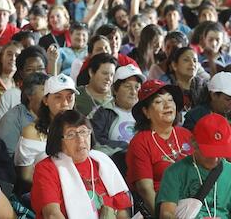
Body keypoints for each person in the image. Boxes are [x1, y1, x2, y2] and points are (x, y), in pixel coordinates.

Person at [31, 110, 131, 218]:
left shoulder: (102, 161)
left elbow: (122, 209)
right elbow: (52, 215)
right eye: (71, 134)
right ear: (58, 140)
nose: (80, 140)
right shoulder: (47, 168)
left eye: (83, 132)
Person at [126, 79, 193, 215]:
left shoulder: (186, 134)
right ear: (146, 112)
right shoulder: (140, 142)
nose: (167, 105)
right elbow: (145, 190)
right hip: (162, 207)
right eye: (158, 102)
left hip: (196, 201)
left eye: (170, 100)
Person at [156, 113, 231, 219]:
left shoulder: (229, 171)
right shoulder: (174, 172)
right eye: (209, 153)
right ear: (193, 142)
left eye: (220, 152)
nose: (215, 159)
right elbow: (166, 213)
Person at [15, 73, 78, 190]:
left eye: (69, 97)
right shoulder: (32, 132)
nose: (65, 103)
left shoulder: (80, 129)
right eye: (58, 97)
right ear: (46, 100)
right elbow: (25, 177)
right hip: (42, 191)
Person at [91, 64, 145, 173]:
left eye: (137, 87)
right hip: (114, 166)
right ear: (115, 90)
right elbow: (95, 142)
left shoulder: (146, 114)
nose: (133, 92)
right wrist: (127, 147)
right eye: (127, 86)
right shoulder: (104, 113)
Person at [0, 72, 49, 157]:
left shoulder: (49, 116)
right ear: (29, 95)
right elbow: (7, 158)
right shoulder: (14, 118)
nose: (49, 96)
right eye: (45, 91)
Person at [0, 45, 48, 126]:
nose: (36, 73)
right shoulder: (10, 96)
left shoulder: (51, 96)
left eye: (40, 69)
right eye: (29, 70)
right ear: (21, 73)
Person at [159, 47, 207, 112]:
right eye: (186, 60)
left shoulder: (202, 86)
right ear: (174, 65)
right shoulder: (165, 86)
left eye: (195, 60)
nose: (192, 64)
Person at [75, 53, 117, 118]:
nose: (109, 78)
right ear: (91, 72)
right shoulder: (75, 95)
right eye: (105, 73)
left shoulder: (117, 99)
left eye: (112, 75)